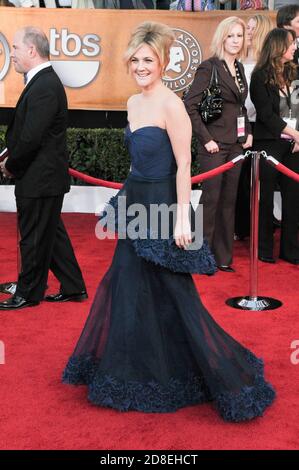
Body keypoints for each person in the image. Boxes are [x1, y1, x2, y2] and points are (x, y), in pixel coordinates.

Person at [63, 21, 275, 422]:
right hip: (137, 202)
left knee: (172, 291)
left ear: (162, 63)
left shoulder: (171, 104)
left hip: (163, 205)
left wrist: (182, 219)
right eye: (136, 60)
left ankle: (206, 368)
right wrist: (124, 201)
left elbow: (182, 167)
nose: (141, 66)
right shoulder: (132, 102)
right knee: (127, 282)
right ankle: (135, 364)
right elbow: (137, 161)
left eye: (149, 60)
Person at [0, 27, 87, 311]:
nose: (10, 53)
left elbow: (31, 138)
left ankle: (28, 293)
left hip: (39, 178)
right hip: (42, 177)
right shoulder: (42, 82)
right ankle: (74, 287)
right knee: (51, 235)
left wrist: (11, 166)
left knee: (34, 238)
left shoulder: (45, 85)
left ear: (31, 51)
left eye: (14, 47)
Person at [184, 17, 253, 272]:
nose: (235, 41)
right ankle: (198, 256)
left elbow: (239, 106)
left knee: (228, 200)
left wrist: (247, 132)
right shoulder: (208, 67)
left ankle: (223, 258)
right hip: (213, 145)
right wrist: (207, 139)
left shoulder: (240, 69)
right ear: (221, 38)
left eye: (239, 36)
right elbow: (189, 106)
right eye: (230, 36)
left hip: (235, 145)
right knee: (211, 199)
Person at [250, 27, 299, 264]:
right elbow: (266, 115)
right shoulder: (259, 76)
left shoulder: (295, 73)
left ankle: (290, 250)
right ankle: (264, 249)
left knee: (293, 197)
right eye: (291, 43)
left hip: (294, 144)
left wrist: (297, 137)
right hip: (268, 143)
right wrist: (296, 134)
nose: (295, 47)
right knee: (266, 198)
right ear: (279, 46)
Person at [235, 14, 273, 240]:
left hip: (263, 128)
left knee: (259, 183)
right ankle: (241, 227)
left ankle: (261, 229)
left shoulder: (267, 66)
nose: (248, 33)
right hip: (241, 126)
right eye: (246, 28)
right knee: (239, 180)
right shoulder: (236, 62)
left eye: (252, 29)